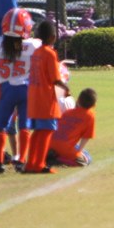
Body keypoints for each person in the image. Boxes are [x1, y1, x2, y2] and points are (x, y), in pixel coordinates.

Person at [0, 8, 40, 174]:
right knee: (24, 125)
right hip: (26, 88)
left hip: (7, 88)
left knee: (0, 125)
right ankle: (21, 160)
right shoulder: (33, 45)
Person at [25, 20, 68, 174]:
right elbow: (55, 79)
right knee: (46, 131)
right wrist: (66, 89)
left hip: (34, 97)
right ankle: (39, 164)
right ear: (52, 37)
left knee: (38, 132)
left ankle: (30, 163)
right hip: (45, 98)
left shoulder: (36, 52)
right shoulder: (50, 53)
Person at [47, 88, 97, 167]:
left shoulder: (67, 112)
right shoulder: (90, 115)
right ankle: (59, 160)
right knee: (87, 158)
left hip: (50, 144)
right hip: (65, 147)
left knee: (74, 147)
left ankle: (52, 155)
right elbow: (86, 137)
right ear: (94, 105)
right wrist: (79, 152)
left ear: (78, 100)